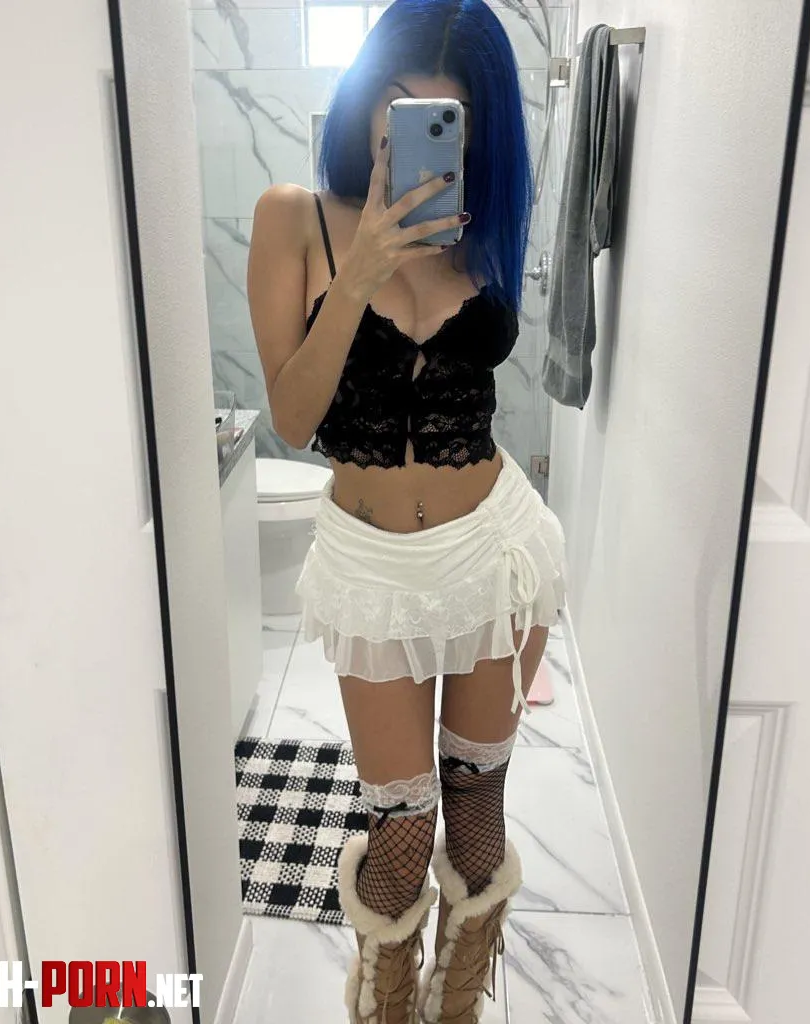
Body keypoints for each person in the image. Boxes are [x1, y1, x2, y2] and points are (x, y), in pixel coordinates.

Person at [247, 1, 566, 1020]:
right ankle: (385, 995)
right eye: (396, 108)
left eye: (448, 121)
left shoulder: (482, 225)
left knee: (475, 815)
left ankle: (458, 996)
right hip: (372, 571)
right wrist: (361, 275)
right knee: (400, 831)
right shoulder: (292, 217)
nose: (416, 139)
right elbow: (293, 417)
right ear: (363, 103)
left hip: (497, 553)